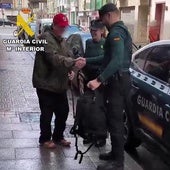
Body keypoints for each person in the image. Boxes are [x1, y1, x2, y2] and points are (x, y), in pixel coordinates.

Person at [86, 3, 132, 170]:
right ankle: (114, 153)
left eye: (103, 18)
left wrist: (99, 79)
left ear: (109, 15)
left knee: (115, 121)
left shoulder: (116, 33)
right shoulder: (118, 31)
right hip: (118, 81)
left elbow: (117, 61)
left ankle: (118, 162)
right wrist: (86, 61)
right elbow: (106, 58)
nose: (102, 23)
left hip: (118, 82)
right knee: (113, 119)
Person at [32, 13, 81, 149]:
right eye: (60, 27)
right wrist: (73, 62)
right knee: (47, 114)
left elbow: (67, 56)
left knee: (63, 112)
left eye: (64, 27)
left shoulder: (63, 41)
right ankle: (45, 139)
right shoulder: (45, 39)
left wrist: (71, 71)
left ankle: (58, 136)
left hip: (59, 85)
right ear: (54, 26)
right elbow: (54, 59)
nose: (63, 30)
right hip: (45, 84)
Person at [82, 19, 107, 147]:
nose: (93, 33)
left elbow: (103, 59)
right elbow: (86, 59)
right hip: (88, 79)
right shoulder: (88, 43)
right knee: (88, 107)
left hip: (100, 80)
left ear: (101, 31)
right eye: (91, 31)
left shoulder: (106, 43)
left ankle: (101, 136)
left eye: (95, 31)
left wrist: (87, 60)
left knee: (99, 108)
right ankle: (89, 134)